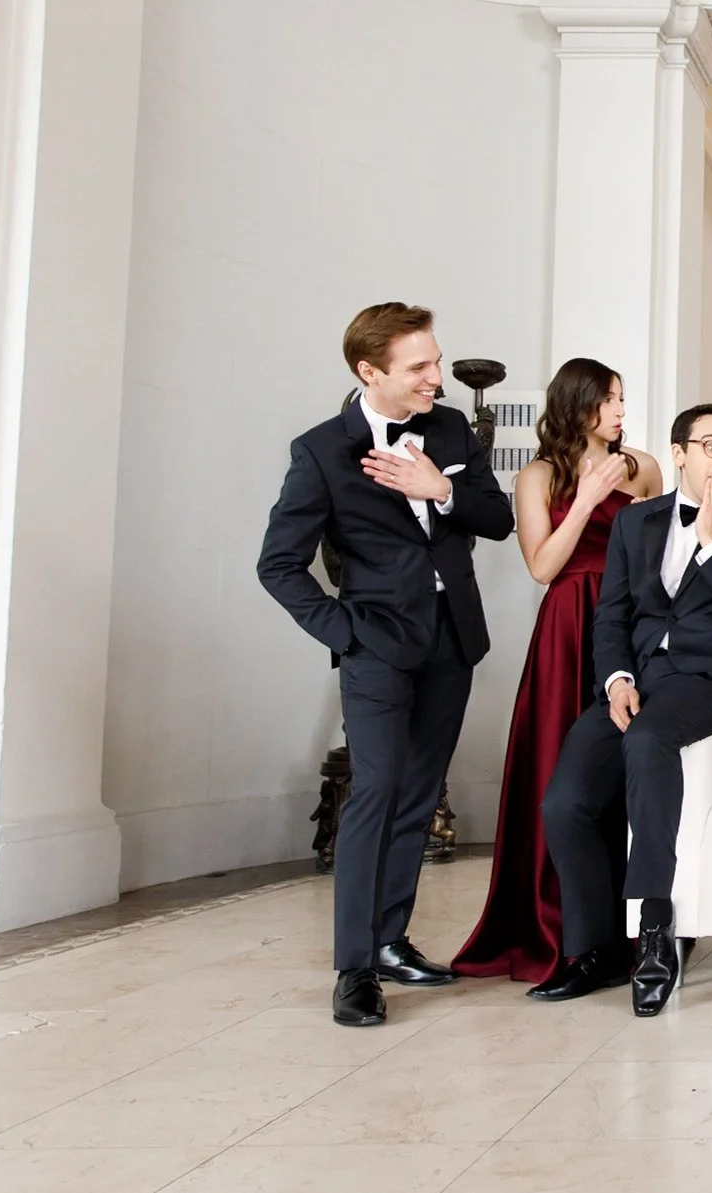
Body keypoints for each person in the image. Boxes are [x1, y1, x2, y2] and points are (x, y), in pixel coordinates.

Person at [257, 303, 514, 1027]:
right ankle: (354, 967)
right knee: (373, 790)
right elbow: (278, 565)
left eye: (437, 361)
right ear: (370, 372)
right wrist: (346, 630)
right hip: (375, 645)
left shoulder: (451, 430)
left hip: (452, 639)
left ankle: (391, 936)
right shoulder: (319, 453)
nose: (437, 377)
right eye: (420, 368)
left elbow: (494, 518)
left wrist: (442, 490)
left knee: (418, 791)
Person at [536, 404, 712, 1016]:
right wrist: (617, 677)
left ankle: (655, 928)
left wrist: (711, 541)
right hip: (638, 680)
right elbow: (613, 615)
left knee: (648, 742)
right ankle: (594, 949)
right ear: (679, 453)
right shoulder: (635, 522)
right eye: (711, 445)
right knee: (564, 800)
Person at [452, 359, 664, 987]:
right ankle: (560, 934)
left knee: (629, 772)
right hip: (568, 626)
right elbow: (543, 566)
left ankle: (626, 936)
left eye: (623, 398)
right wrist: (588, 501)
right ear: (578, 406)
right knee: (556, 776)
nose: (622, 410)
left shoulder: (644, 468)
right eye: (610, 399)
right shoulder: (535, 476)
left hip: (628, 624)